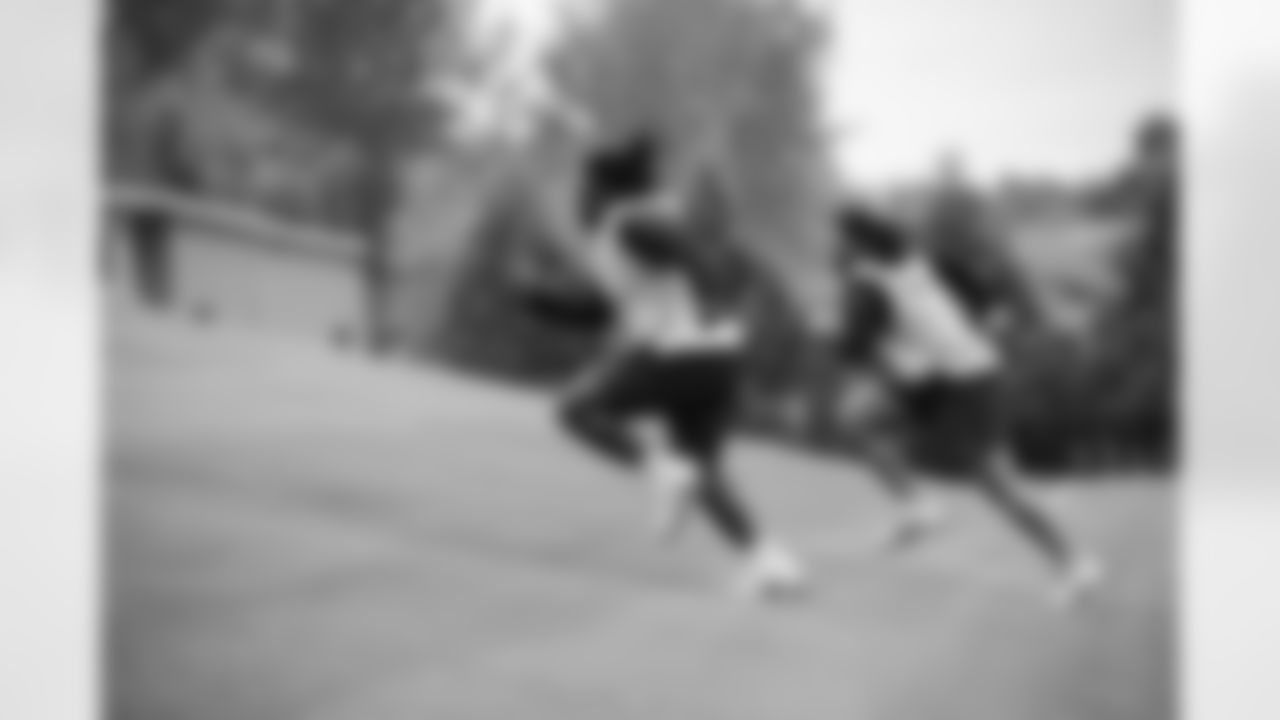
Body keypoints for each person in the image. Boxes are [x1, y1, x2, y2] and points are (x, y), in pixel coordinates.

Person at [515, 134, 807, 599]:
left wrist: (709, 282)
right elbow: (599, 311)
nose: (579, 197)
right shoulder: (618, 233)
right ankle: (770, 563)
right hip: (717, 358)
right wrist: (537, 299)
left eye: (585, 187)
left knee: (575, 411)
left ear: (604, 190)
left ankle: (663, 470)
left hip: (679, 351)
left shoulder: (630, 222)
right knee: (702, 471)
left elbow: (688, 252)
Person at [831, 204, 1103, 607]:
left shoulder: (867, 284)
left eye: (838, 240)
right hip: (968, 374)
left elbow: (852, 347)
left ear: (854, 243)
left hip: (958, 387)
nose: (833, 247)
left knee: (997, 483)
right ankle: (918, 506)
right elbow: (993, 309)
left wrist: (838, 320)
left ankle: (1073, 563)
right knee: (856, 417)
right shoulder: (923, 262)